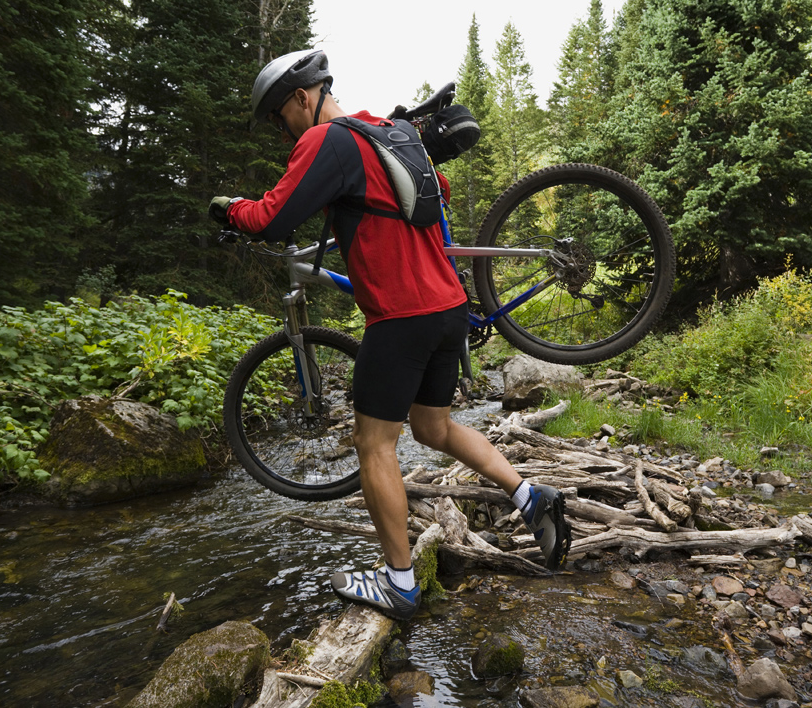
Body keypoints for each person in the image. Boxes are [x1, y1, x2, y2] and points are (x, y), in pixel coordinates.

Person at [209, 49, 571, 620]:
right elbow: (439, 192)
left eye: (281, 119)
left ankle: (400, 584)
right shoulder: (392, 133)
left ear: (302, 98)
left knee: (374, 443)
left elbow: (272, 218)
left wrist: (230, 209)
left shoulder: (327, 141)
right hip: (448, 309)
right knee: (432, 427)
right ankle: (530, 495)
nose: (284, 133)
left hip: (400, 317)